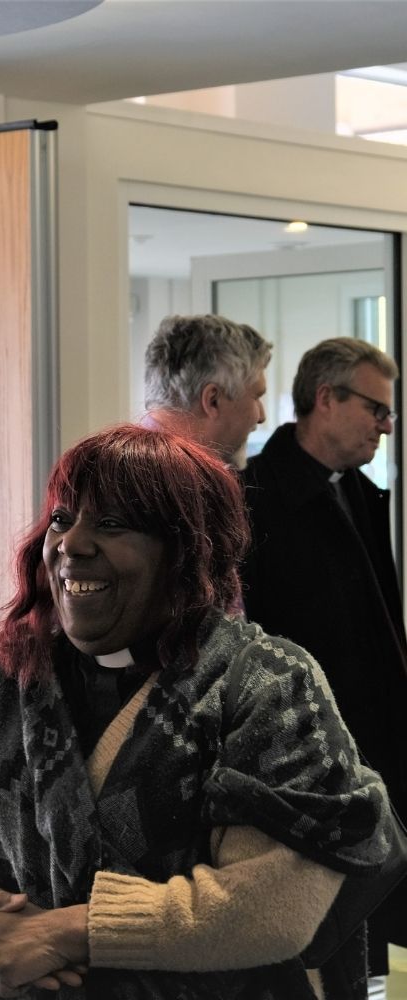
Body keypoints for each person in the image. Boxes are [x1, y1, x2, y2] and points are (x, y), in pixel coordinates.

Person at [0, 423, 396, 1000]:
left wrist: (67, 932)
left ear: (187, 552)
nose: (72, 543)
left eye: (111, 524)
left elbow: (272, 907)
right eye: (63, 518)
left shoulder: (265, 687)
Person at [241, 336, 407, 991]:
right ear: (325, 398)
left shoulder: (361, 494)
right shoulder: (255, 497)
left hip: (373, 744)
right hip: (302, 759)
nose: (385, 425)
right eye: (375, 408)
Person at [143, 313, 271, 467]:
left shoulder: (125, 471)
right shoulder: (175, 483)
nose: (261, 417)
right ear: (213, 400)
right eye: (256, 397)